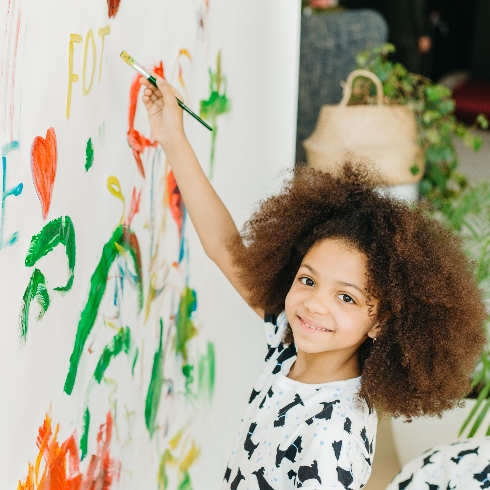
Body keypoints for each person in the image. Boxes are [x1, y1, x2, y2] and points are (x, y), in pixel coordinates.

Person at [140, 76, 486, 489]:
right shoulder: (288, 339)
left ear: (380, 322)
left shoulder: (331, 441)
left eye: (346, 297)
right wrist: (173, 137)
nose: (315, 304)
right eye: (308, 280)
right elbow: (225, 246)